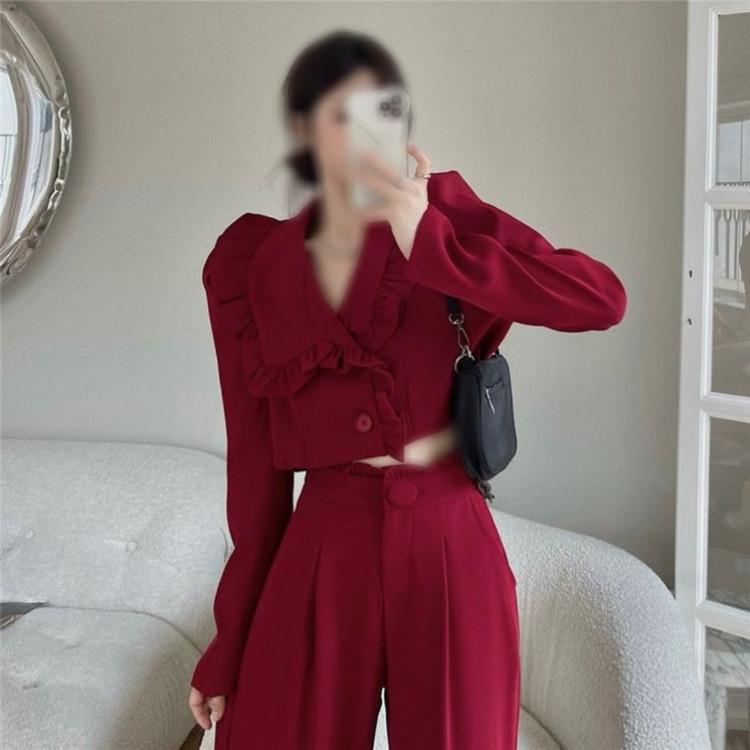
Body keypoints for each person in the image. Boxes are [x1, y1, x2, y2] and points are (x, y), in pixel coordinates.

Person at [187, 30, 627, 750]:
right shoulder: (255, 265)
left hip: (451, 544)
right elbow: (254, 470)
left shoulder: (450, 219)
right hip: (322, 545)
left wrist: (432, 242)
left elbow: (600, 299)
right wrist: (230, 640)